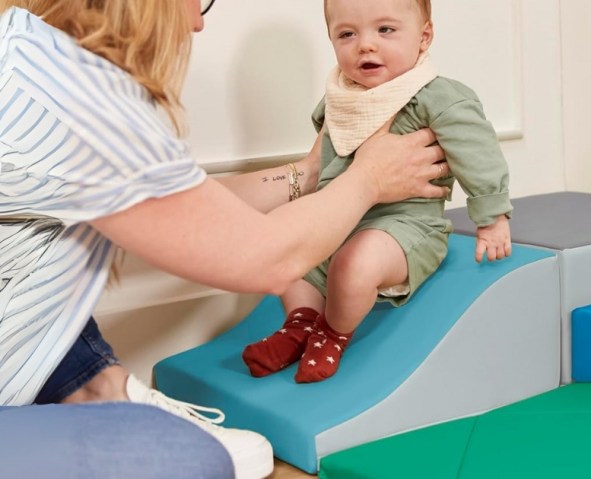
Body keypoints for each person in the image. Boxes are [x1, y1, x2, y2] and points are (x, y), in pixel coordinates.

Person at [0, 0, 448, 477]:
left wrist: (310, 173)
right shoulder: (74, 99)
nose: (198, 21)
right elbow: (262, 258)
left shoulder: (30, 51)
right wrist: (368, 180)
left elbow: (178, 209)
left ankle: (97, 386)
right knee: (200, 464)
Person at [241, 0, 512, 384]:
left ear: (424, 37)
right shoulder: (342, 97)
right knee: (290, 249)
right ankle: (301, 322)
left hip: (405, 225)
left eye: (385, 30)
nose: (365, 45)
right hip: (341, 218)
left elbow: (478, 152)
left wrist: (492, 216)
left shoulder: (437, 96)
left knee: (356, 261)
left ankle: (332, 333)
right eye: (347, 34)